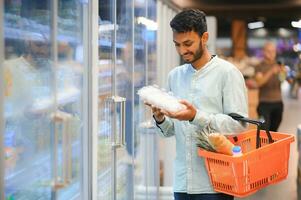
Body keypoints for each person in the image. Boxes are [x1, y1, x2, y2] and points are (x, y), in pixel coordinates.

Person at [148, 9, 248, 200]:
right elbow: (169, 131)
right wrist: (159, 117)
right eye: (177, 45)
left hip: (215, 184)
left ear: (204, 37)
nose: (182, 50)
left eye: (188, 43)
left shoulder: (227, 73)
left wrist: (195, 117)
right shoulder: (175, 76)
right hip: (182, 182)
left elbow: (239, 125)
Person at [254, 42, 284, 131]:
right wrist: (271, 72)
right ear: (264, 52)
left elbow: (286, 80)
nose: (271, 53)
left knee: (274, 132)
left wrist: (284, 74)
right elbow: (259, 83)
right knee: (263, 131)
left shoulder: (279, 65)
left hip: (278, 102)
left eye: (273, 51)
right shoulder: (259, 66)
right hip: (264, 104)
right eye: (269, 51)